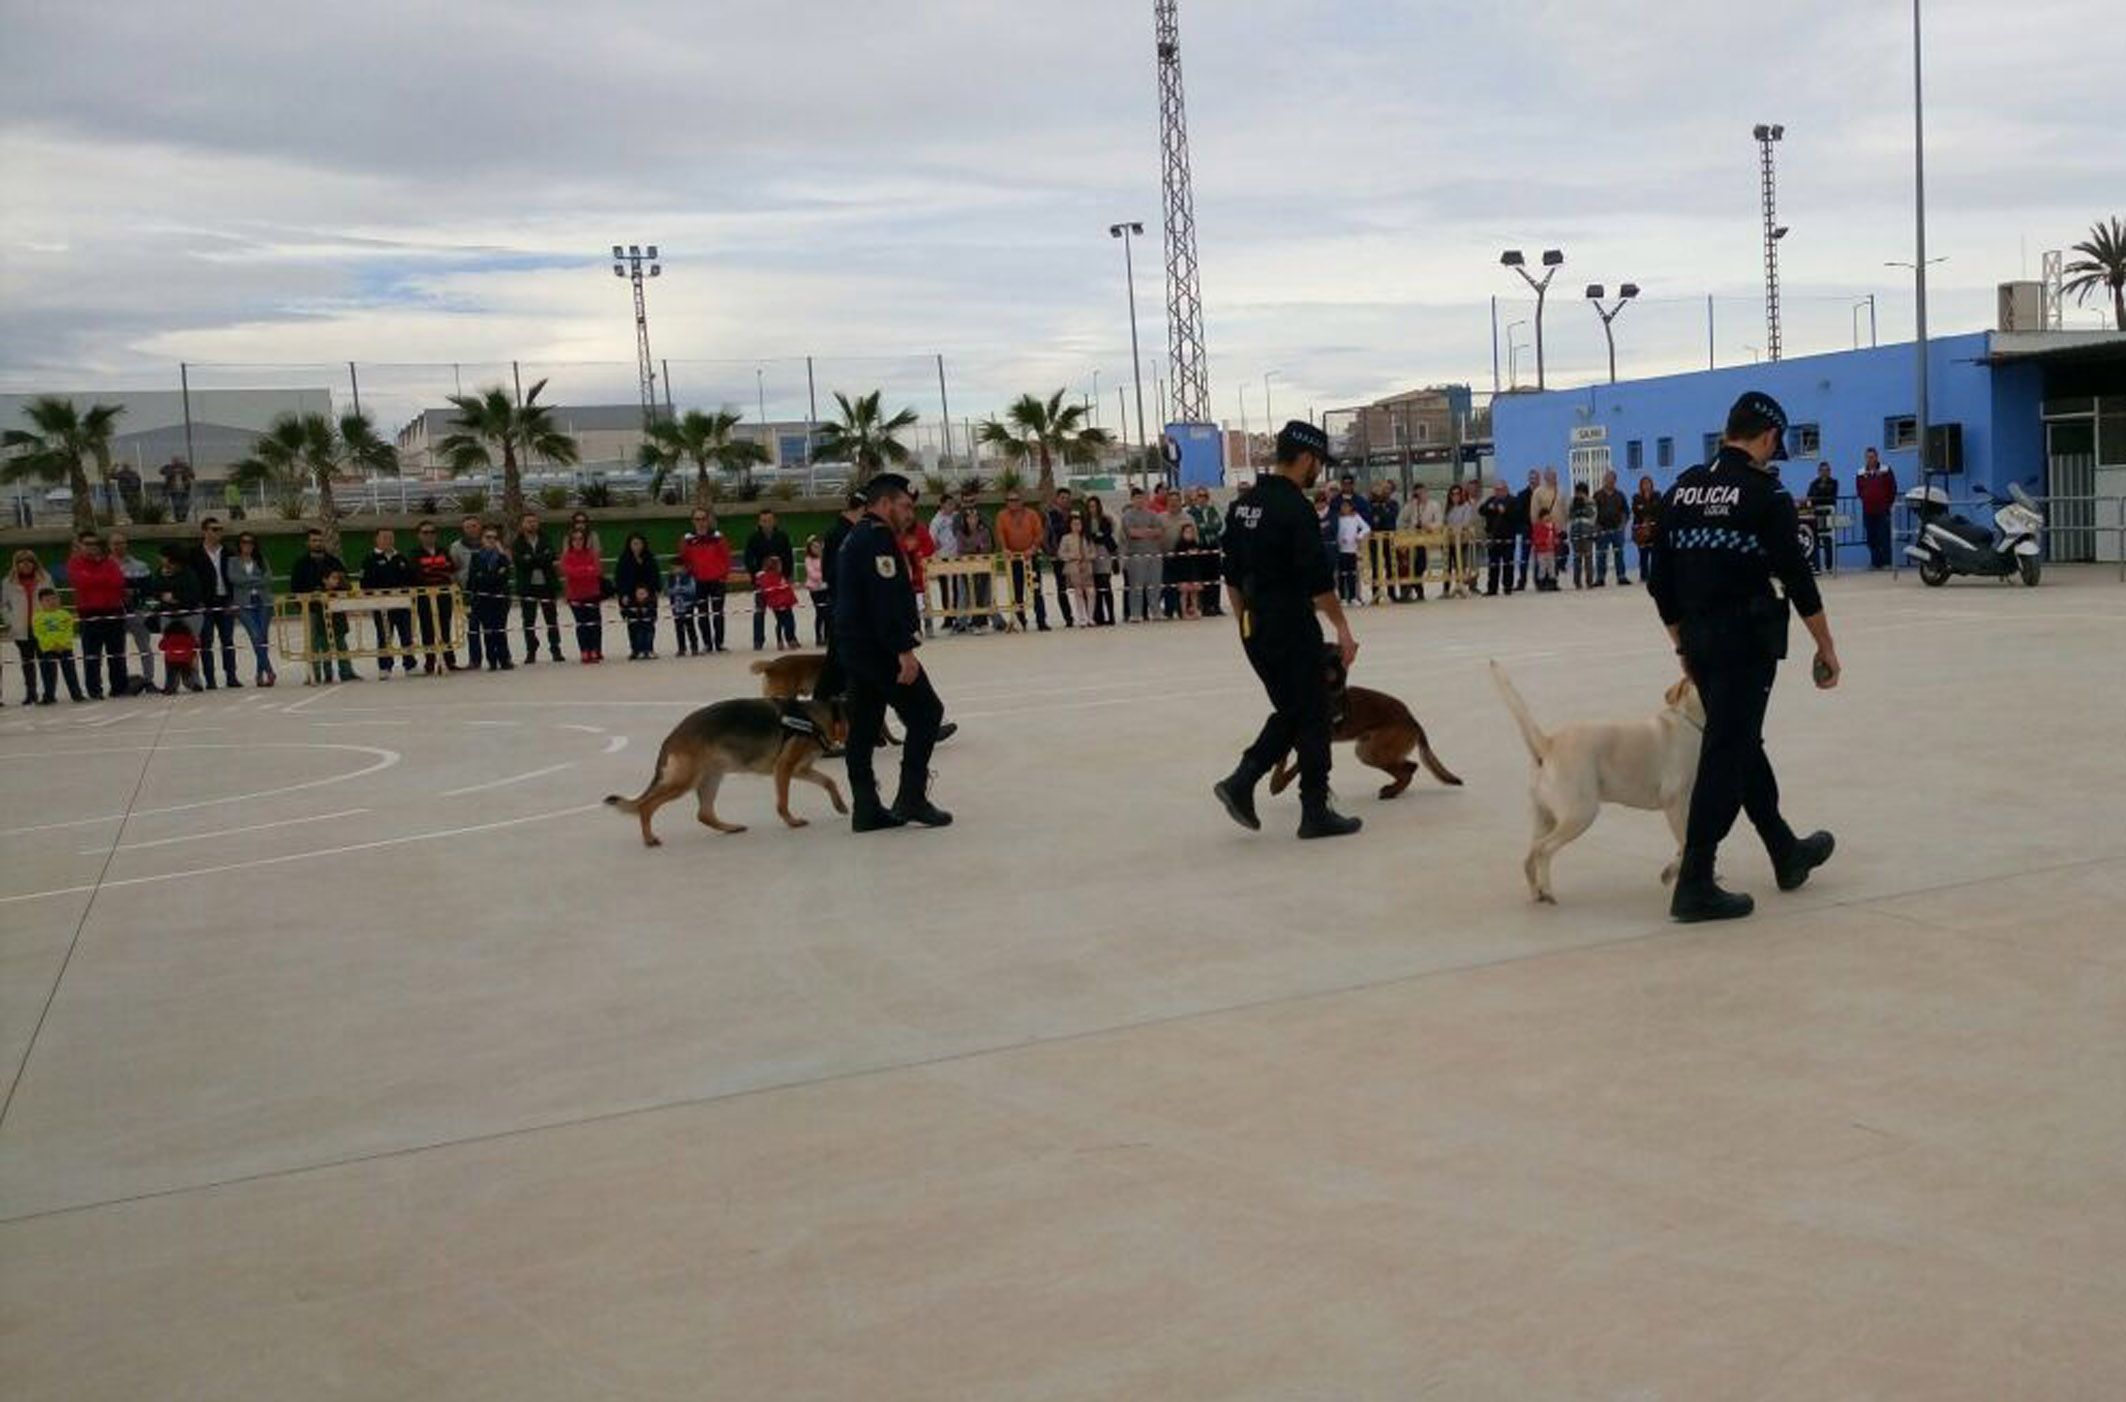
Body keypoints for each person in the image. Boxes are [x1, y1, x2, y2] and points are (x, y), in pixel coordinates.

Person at [1647, 390, 1840, 923]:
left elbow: (1657, 579)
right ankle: (1696, 881)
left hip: (1701, 642)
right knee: (1727, 751)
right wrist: (1825, 645)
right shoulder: (1765, 497)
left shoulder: (1681, 491)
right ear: (1769, 437)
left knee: (1740, 744)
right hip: (1746, 643)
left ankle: (1785, 851)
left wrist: (1681, 642)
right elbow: (1798, 579)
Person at [1212, 421, 1364, 841]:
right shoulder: (1295, 509)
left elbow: (1231, 573)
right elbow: (1318, 583)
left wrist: (1247, 625)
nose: (1320, 471)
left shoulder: (1244, 505)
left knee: (1293, 711)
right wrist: (1343, 627)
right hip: (1291, 626)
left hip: (1255, 627)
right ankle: (1313, 810)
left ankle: (1242, 782)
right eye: (1319, 463)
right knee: (1314, 714)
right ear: (1307, 458)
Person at [833, 472, 950, 831]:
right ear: (884, 504)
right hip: (880, 649)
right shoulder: (879, 540)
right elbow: (884, 600)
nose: (909, 513)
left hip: (855, 647)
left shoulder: (856, 536)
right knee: (927, 713)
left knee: (865, 727)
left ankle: (866, 807)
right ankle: (911, 797)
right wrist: (903, 650)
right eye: (904, 505)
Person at [67, 531, 131, 699]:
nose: (91, 547)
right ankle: (95, 690)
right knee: (92, 655)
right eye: (87, 544)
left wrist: (97, 579)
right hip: (89, 613)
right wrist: (102, 580)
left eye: (94, 544)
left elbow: (118, 583)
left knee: (117, 653)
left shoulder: (110, 562)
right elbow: (82, 582)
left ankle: (119, 687)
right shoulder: (75, 563)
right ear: (80, 545)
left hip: (113, 611)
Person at [288, 528, 357, 684]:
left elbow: (347, 583)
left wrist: (335, 588)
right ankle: (316, 675)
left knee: (340, 640)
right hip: (312, 610)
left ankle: (346, 672)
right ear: (308, 543)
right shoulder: (301, 564)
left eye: (320, 540)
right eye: (314, 540)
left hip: (335, 609)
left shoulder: (334, 561)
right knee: (315, 643)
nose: (317, 543)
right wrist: (302, 608)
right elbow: (295, 588)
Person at [184, 517, 241, 688]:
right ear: (204, 531)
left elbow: (235, 579)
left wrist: (233, 600)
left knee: (228, 641)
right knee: (206, 642)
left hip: (225, 600)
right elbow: (191, 580)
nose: (217, 532)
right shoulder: (194, 554)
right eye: (213, 529)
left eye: (219, 529)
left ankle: (231, 676)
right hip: (205, 603)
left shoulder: (229, 552)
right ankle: (210, 679)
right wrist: (197, 601)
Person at [359, 528, 417, 677]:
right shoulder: (370, 559)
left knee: (406, 634)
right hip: (381, 605)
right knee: (384, 635)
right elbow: (365, 583)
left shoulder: (401, 558)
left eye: (391, 537)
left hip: (402, 604)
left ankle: (410, 664)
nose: (388, 540)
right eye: (384, 537)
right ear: (377, 540)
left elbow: (411, 579)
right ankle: (385, 666)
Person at [226, 530, 278, 686]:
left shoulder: (261, 560)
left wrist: (249, 580)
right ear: (239, 544)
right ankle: (269, 670)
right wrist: (256, 580)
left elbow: (268, 578)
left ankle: (259, 673)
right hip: (244, 603)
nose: (247, 545)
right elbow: (234, 578)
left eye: (250, 542)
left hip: (263, 602)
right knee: (255, 635)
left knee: (262, 638)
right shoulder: (233, 561)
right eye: (244, 542)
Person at [678, 507, 732, 652]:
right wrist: (689, 579)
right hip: (698, 583)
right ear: (693, 521)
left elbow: (726, 557)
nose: (701, 522)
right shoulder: (687, 539)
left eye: (703, 519)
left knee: (718, 614)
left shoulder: (718, 536)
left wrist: (723, 576)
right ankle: (707, 643)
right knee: (702, 614)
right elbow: (683, 560)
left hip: (717, 581)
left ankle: (719, 643)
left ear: (708, 520)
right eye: (697, 519)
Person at [109, 530, 158, 690]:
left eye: (121, 543)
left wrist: (135, 592)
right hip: (113, 612)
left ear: (127, 544)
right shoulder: (104, 566)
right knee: (117, 649)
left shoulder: (140, 566)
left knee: (145, 647)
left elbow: (149, 589)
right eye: (115, 543)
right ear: (109, 546)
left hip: (136, 611)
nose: (118, 546)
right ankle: (120, 683)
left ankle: (148, 680)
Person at [995, 489, 1049, 632]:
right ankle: (1021, 621)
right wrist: (1005, 548)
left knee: (1036, 589)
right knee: (1016, 590)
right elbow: (1000, 533)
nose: (1013, 503)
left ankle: (1041, 621)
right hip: (1014, 558)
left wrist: (1033, 549)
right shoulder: (1002, 515)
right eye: (1009, 500)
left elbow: (1039, 533)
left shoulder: (1032, 514)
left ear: (1022, 501)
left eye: (1016, 500)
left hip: (1031, 557)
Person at [512, 512, 564, 662]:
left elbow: (551, 557)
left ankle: (555, 649)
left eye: (534, 521)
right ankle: (531, 650)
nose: (531, 524)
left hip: (546, 586)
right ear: (523, 524)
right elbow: (520, 562)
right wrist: (540, 559)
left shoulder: (546, 539)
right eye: (528, 522)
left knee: (552, 619)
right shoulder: (518, 543)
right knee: (528, 621)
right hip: (527, 587)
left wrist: (532, 559)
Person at [409, 520, 459, 674]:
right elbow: (416, 574)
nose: (429, 535)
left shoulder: (443, 551)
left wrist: (432, 569)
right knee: (427, 629)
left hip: (444, 596)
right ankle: (429, 662)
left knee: (445, 628)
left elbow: (451, 568)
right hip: (424, 597)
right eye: (425, 532)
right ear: (419, 535)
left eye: (432, 532)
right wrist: (437, 569)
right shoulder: (414, 553)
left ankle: (449, 661)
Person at [6, 551, 54, 703]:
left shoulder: (46, 579)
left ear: (35, 563)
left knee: (46, 662)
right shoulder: (7, 582)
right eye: (21, 561)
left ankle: (49, 693)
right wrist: (11, 620)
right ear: (16, 564)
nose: (25, 564)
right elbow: (4, 606)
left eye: (29, 561)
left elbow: (53, 599)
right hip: (22, 629)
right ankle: (31, 693)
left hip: (43, 627)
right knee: (27, 663)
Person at [744, 509, 796, 650]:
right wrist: (757, 574)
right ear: (759, 522)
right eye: (764, 520)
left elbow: (789, 557)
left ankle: (791, 637)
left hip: (780, 581)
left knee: (786, 610)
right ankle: (758, 640)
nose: (767, 523)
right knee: (759, 612)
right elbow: (748, 558)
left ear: (774, 521)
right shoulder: (753, 538)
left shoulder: (782, 536)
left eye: (769, 520)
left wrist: (786, 576)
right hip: (761, 582)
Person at [467, 526, 515, 671]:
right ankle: (492, 660)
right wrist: (493, 577)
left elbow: (505, 576)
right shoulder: (476, 557)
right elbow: (475, 580)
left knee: (500, 629)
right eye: (488, 537)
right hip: (483, 601)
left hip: (500, 599)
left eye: (494, 538)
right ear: (482, 539)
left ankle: (504, 659)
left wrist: (489, 577)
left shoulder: (501, 558)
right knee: (488, 631)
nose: (491, 540)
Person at [31, 587, 86, 703]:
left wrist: (62, 644)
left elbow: (68, 631)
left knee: (70, 672)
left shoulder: (65, 615)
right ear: (41, 602)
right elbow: (39, 633)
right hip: (47, 649)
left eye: (54, 599)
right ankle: (49, 696)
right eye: (47, 600)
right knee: (48, 674)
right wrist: (52, 644)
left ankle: (76, 694)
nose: (51, 602)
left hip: (65, 648)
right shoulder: (37, 617)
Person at [559, 524, 605, 663]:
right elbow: (567, 571)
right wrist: (585, 570)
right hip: (575, 596)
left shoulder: (592, 554)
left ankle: (595, 650)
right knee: (582, 624)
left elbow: (597, 571)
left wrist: (579, 571)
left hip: (593, 594)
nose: (578, 541)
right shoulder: (566, 556)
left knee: (594, 624)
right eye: (575, 539)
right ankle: (584, 650)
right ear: (571, 542)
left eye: (580, 539)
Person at [615, 531, 661, 659]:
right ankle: (636, 649)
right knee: (633, 624)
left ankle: (649, 648)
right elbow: (619, 578)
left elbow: (655, 576)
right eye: (634, 543)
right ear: (629, 545)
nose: (636, 546)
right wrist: (623, 594)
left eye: (639, 543)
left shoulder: (649, 558)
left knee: (649, 624)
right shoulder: (624, 559)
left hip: (648, 596)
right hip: (630, 597)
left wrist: (655, 590)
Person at [1119, 487, 1163, 622]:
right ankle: (1135, 613)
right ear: (1132, 499)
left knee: (1154, 584)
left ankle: (1156, 611)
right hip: (1135, 555)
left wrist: (1143, 532)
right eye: (1136, 498)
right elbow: (1132, 533)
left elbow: (1159, 531)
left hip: (1154, 554)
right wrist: (1149, 531)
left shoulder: (1152, 514)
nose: (1140, 501)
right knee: (1136, 585)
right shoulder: (1127, 516)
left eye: (1142, 498)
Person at [449, 515, 486, 670]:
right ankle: (475, 660)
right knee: (473, 627)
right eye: (468, 526)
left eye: (474, 525)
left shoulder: (489, 543)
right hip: (468, 593)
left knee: (495, 627)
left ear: (480, 527)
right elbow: (453, 570)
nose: (471, 529)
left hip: (489, 591)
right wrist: (458, 590)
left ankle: (500, 657)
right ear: (463, 529)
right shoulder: (456, 547)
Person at [1856, 448, 1897, 569]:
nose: (1870, 459)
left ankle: (1887, 562)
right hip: (1868, 510)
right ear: (1865, 458)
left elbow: (1892, 488)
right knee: (1871, 537)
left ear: (1877, 457)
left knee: (1884, 536)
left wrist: (1887, 503)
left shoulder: (1886, 470)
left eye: (1872, 457)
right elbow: (1859, 490)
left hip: (1883, 510)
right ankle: (1875, 563)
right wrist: (1865, 498)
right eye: (1868, 457)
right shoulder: (1861, 473)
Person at [1189, 487, 1225, 617]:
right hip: (1201, 546)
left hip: (1213, 545)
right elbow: (1197, 528)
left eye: (1205, 496)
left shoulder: (1212, 510)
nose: (1202, 498)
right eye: (1199, 496)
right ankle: (1204, 605)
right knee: (1202, 577)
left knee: (1215, 577)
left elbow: (1218, 525)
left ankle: (1215, 604)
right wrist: (1208, 528)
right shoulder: (1192, 512)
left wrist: (1207, 527)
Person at [1045, 488, 1078, 627]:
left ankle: (1084, 615)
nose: (1065, 500)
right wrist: (1050, 552)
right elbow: (1046, 535)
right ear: (1056, 499)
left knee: (1080, 585)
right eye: (1062, 497)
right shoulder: (1050, 516)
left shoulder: (1075, 515)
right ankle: (1068, 618)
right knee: (1062, 587)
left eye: (1067, 498)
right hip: (1059, 557)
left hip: (1076, 556)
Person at [1084, 495, 1118, 626]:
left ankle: (1111, 615)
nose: (1092, 509)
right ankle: (1098, 616)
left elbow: (1106, 535)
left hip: (1104, 552)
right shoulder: (1085, 521)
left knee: (1105, 584)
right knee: (1094, 586)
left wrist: (1098, 536)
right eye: (1090, 506)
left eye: (1094, 506)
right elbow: (1089, 536)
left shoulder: (1105, 520)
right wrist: (1097, 536)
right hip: (1090, 552)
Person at [1593, 470, 1630, 585]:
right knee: (1601, 555)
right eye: (1607, 479)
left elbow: (1625, 512)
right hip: (1602, 530)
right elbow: (1592, 513)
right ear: (1604, 480)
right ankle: (1600, 578)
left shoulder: (1620, 495)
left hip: (1617, 530)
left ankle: (1621, 577)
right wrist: (1596, 526)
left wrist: (1622, 525)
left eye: (1612, 480)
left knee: (1619, 554)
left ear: (1615, 481)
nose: (1610, 482)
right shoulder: (1597, 495)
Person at [1480, 480, 1517, 597]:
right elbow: (1481, 510)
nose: (1498, 492)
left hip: (1508, 538)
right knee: (1493, 564)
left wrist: (1505, 512)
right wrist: (1489, 508)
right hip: (1493, 538)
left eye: (1500, 490)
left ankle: (1507, 587)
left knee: (1508, 564)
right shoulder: (1491, 500)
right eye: (1496, 490)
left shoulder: (1512, 500)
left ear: (1506, 489)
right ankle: (1492, 589)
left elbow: (1517, 516)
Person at [1056, 512, 1095, 623]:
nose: (1077, 526)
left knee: (1091, 592)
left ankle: (1090, 617)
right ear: (1070, 525)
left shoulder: (1086, 538)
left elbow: (1093, 553)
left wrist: (1088, 557)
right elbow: (1061, 553)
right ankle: (1081, 617)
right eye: (1074, 524)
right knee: (1078, 592)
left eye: (1079, 524)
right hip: (1073, 568)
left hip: (1087, 567)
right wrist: (1072, 557)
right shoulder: (1066, 538)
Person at [755, 556, 800, 649]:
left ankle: (782, 640)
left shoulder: (777, 576)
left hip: (782, 603)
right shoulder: (770, 577)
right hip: (781, 604)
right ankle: (788, 639)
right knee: (788, 622)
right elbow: (773, 590)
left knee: (781, 622)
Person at [1171, 519, 1212, 619]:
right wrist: (1187, 554)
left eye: (1191, 532)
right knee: (1184, 593)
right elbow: (1177, 559)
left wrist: (1196, 552)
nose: (1189, 534)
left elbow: (1199, 556)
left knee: (1194, 593)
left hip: (1194, 572)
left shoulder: (1195, 543)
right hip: (1183, 572)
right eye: (1187, 532)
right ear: (1182, 533)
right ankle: (1184, 612)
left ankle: (1195, 610)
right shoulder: (1179, 544)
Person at [1334, 498, 1371, 604]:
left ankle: (1353, 596)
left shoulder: (1355, 517)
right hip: (1341, 550)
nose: (1344, 508)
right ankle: (1342, 598)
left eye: (1347, 506)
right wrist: (1339, 539)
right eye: (1343, 506)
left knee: (1352, 574)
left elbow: (1366, 528)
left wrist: (1358, 536)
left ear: (1351, 507)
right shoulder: (1338, 518)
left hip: (1352, 549)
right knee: (1342, 574)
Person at [1806, 461, 1840, 574]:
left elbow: (1831, 497)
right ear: (1818, 472)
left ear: (1830, 472)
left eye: (1827, 470)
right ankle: (1816, 567)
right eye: (1822, 470)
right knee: (1814, 541)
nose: (1824, 473)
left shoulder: (1834, 482)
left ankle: (1829, 566)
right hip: (1816, 516)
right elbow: (1810, 497)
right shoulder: (1813, 483)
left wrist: (1821, 493)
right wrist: (1820, 494)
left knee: (1828, 541)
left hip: (1828, 515)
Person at [1630, 475, 1664, 581]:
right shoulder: (1636, 497)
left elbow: (1659, 510)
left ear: (1651, 484)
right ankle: (1644, 575)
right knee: (1643, 554)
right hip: (1641, 530)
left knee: (1655, 554)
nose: (1646, 486)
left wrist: (1649, 519)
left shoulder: (1657, 496)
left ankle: (1656, 575)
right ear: (1641, 486)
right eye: (1644, 484)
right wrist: (1644, 521)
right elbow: (1636, 511)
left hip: (1654, 530)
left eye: (1648, 483)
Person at [158, 618, 205, 693]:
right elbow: (196, 645)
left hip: (172, 661)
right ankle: (193, 684)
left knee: (171, 675)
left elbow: (161, 646)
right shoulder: (188, 636)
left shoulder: (168, 637)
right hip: (186, 660)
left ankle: (170, 687)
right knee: (187, 674)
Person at [1510, 469, 1538, 591]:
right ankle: (1522, 582)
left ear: (1539, 479)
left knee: (1539, 557)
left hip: (1539, 529)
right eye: (1531, 478)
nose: (1533, 480)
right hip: (1527, 530)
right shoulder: (1521, 494)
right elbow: (1518, 513)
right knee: (1524, 558)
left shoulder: (1542, 493)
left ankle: (1539, 581)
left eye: (1535, 478)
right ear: (1528, 479)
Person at [1568, 481, 1598, 589]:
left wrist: (1585, 503)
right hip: (1576, 531)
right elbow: (1570, 516)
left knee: (1588, 558)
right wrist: (1575, 506)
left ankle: (1589, 581)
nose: (1579, 494)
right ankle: (1577, 582)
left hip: (1587, 532)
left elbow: (1593, 515)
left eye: (1582, 492)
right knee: (1577, 558)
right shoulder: (1572, 501)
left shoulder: (1591, 501)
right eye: (1578, 492)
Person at [667, 564, 700, 657]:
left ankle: (694, 647)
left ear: (683, 568)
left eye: (677, 567)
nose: (674, 570)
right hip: (676, 606)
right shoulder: (671, 579)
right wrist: (674, 591)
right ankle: (681, 648)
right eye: (673, 568)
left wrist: (682, 589)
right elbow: (669, 591)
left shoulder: (689, 577)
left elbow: (692, 589)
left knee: (690, 626)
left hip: (688, 605)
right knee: (679, 627)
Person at [803, 537, 829, 645]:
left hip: (826, 588)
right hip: (815, 590)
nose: (817, 549)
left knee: (828, 613)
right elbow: (812, 574)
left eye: (818, 546)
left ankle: (827, 637)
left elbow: (830, 570)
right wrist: (824, 576)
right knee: (820, 613)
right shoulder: (808, 559)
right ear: (810, 548)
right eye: (814, 547)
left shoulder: (826, 558)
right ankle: (819, 637)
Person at [160, 456, 195, 522]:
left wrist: (184, 470)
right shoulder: (169, 467)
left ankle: (184, 517)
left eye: (177, 461)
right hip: (174, 490)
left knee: (185, 504)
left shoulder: (185, 468)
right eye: (174, 461)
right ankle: (177, 518)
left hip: (185, 489)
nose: (176, 462)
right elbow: (161, 471)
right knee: (176, 504)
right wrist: (173, 471)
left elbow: (192, 475)